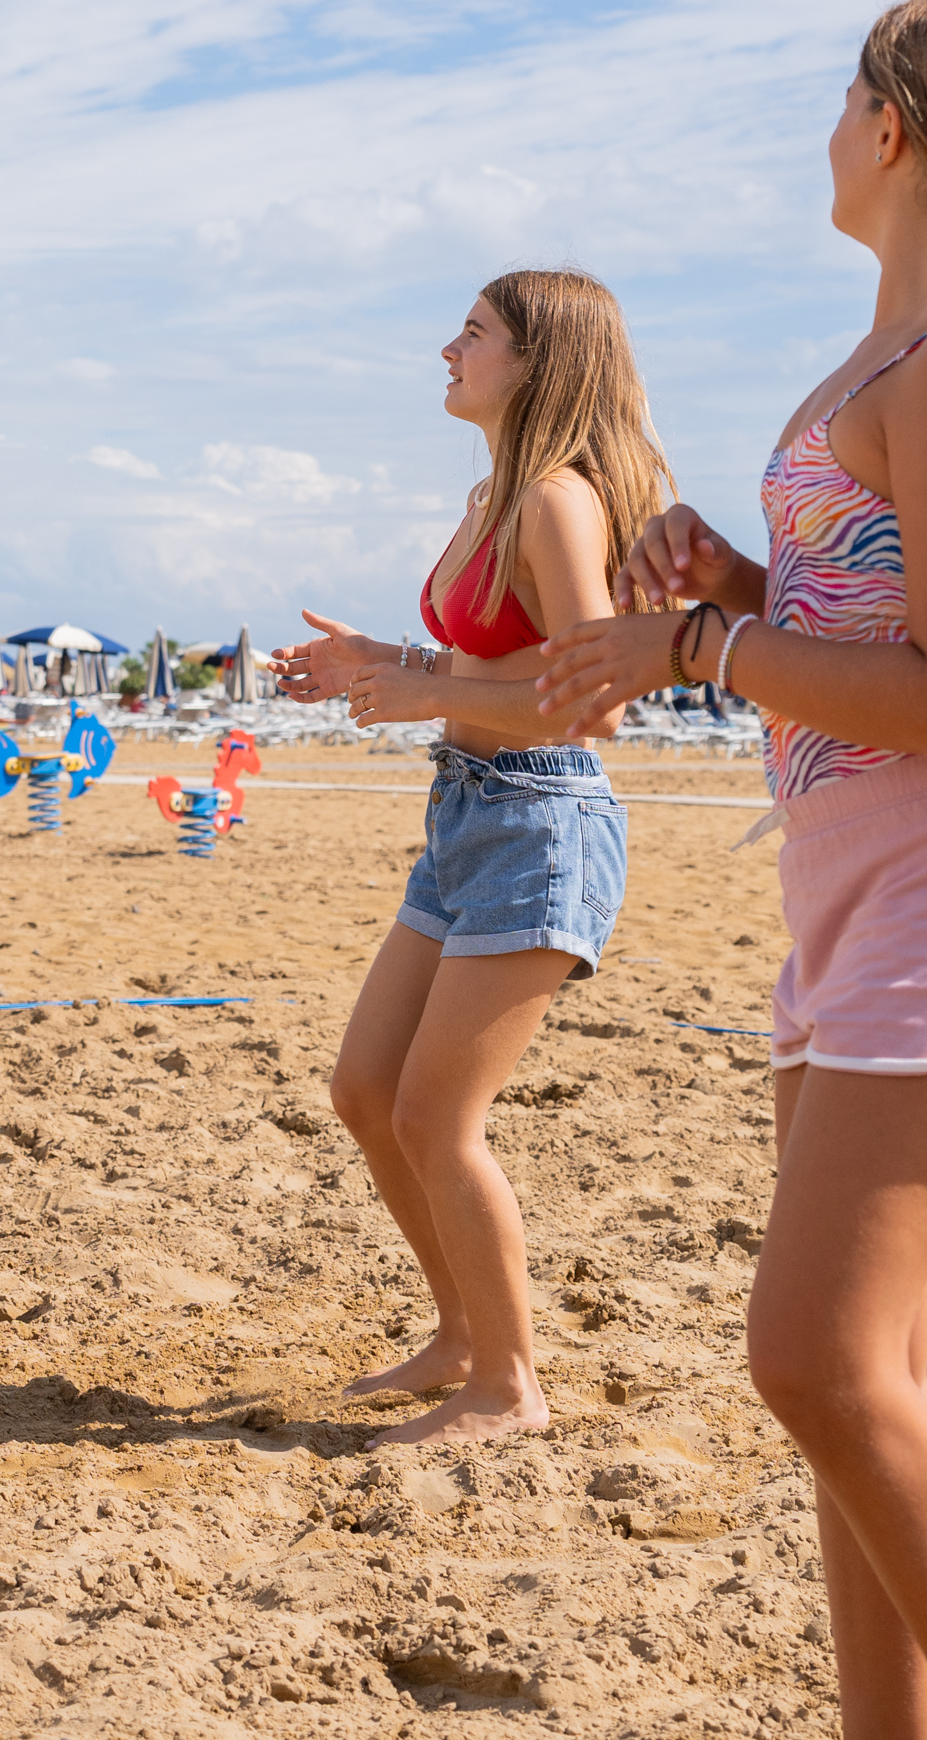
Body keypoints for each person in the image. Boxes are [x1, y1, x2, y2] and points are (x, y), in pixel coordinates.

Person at [537, 0, 927, 1740]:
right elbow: (876, 622)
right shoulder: (899, 354)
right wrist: (736, 596)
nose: (824, 121)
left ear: (893, 128)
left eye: (843, 89)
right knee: (853, 1382)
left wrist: (698, 654)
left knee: (819, 1357)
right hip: (869, 863)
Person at [269, 269, 668, 1445]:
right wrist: (380, 661)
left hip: (542, 819)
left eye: (474, 333)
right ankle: (461, 1334)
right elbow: (486, 666)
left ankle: (510, 1389)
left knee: (439, 1120)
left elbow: (592, 702)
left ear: (536, 361)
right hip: (467, 810)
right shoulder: (493, 491)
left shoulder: (555, 499)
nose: (449, 349)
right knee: (365, 1093)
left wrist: (422, 685)